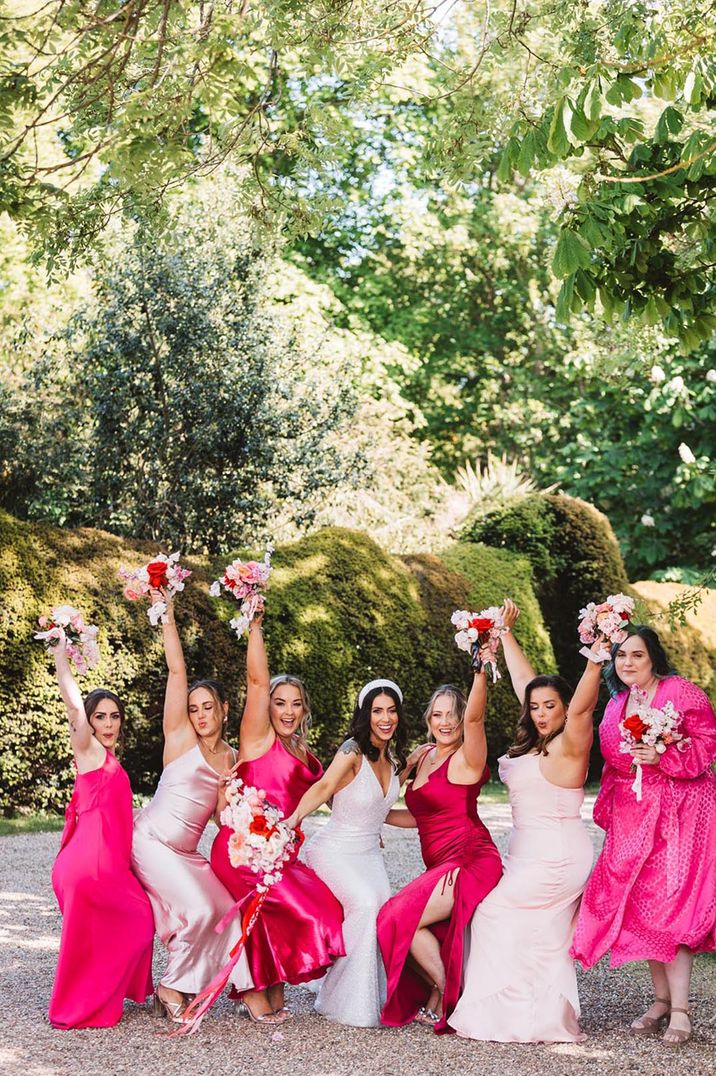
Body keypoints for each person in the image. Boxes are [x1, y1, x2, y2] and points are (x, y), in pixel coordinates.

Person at [449, 598, 599, 1043]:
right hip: (528, 852)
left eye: (549, 706)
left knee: (494, 914)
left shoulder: (571, 742)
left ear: (564, 707)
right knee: (543, 932)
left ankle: (510, 1016)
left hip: (555, 855)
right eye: (534, 707)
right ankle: (543, 1017)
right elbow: (523, 681)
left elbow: (583, 709)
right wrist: (505, 634)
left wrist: (599, 651)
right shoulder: (537, 741)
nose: (539, 713)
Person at [571, 626, 716, 1046]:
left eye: (637, 654)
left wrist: (664, 753)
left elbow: (708, 744)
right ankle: (660, 1000)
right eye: (620, 656)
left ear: (653, 656)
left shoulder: (682, 692)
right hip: (634, 814)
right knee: (642, 906)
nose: (628, 663)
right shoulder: (616, 703)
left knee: (676, 904)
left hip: (682, 813)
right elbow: (614, 759)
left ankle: (683, 1009)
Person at [210, 616, 344, 1024]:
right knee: (283, 905)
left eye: (295, 703)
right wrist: (254, 625)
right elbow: (255, 681)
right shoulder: (257, 737)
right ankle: (252, 991)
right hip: (241, 852)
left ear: (305, 708)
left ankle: (275, 983)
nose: (287, 710)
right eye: (279, 702)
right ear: (267, 706)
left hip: (281, 854)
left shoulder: (303, 751)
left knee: (325, 909)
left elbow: (327, 797)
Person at [131, 590, 252, 1021]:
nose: (200, 715)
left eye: (208, 708)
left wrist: (259, 835)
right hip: (150, 841)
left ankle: (224, 989)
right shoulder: (180, 738)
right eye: (194, 709)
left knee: (223, 910)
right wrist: (166, 614)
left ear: (224, 709)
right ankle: (169, 987)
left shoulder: (232, 756)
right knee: (199, 910)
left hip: (187, 853)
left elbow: (222, 816)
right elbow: (177, 668)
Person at [377, 656, 502, 1033]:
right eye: (437, 715)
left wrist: (480, 670)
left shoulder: (467, 757)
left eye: (452, 715)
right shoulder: (426, 755)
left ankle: (451, 992)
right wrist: (370, 817)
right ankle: (441, 988)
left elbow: (477, 720)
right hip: (439, 865)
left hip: (469, 860)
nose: (445, 722)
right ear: (429, 720)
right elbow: (418, 815)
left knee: (395, 917)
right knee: (400, 921)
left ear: (462, 719)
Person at [284, 679, 415, 1027]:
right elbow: (325, 786)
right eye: (377, 711)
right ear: (365, 714)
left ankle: (361, 990)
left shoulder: (394, 757)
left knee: (383, 903)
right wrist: (294, 818)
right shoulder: (351, 751)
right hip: (335, 849)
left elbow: (382, 810)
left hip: (369, 852)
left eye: (391, 711)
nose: (385, 718)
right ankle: (340, 1000)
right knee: (366, 903)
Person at [48, 635, 154, 1028]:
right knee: (137, 920)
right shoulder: (89, 750)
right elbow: (74, 709)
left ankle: (97, 999)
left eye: (114, 716)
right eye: (100, 717)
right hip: (91, 864)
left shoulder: (107, 758)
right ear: (89, 724)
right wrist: (62, 659)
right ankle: (80, 1007)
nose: (108, 724)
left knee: (117, 928)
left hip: (101, 862)